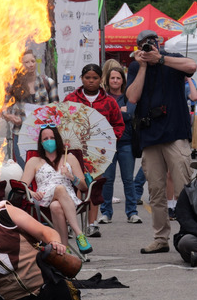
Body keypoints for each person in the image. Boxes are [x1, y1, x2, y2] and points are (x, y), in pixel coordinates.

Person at [126, 29, 196, 254]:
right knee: (156, 191)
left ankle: (191, 234)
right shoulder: (137, 67)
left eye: (152, 43)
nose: (149, 47)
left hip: (175, 132)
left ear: (160, 43)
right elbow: (132, 97)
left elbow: (192, 67)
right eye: (144, 45)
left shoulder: (171, 58)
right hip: (150, 134)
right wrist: (144, 66)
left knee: (184, 187)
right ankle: (160, 238)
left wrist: (162, 59)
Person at [64, 63, 124, 237]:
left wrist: (109, 142)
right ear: (82, 79)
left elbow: (118, 125)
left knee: (94, 186)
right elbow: (62, 122)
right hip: (74, 151)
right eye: (87, 78)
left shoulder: (109, 102)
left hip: (98, 154)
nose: (91, 81)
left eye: (95, 78)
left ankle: (92, 224)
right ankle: (71, 223)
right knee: (72, 185)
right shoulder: (71, 99)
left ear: (100, 80)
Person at [20, 125, 93, 254]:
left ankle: (64, 250)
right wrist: (32, 193)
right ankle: (79, 234)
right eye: (46, 138)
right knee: (59, 189)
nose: (49, 141)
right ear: (41, 143)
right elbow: (22, 185)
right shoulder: (34, 161)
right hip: (43, 197)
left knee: (56, 207)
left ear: (58, 140)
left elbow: (83, 187)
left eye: (52, 138)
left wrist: (70, 176)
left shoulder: (69, 158)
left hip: (68, 199)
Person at [3, 50, 59, 168]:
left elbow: (56, 108)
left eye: (33, 61)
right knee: (25, 169)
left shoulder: (48, 82)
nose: (31, 64)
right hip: (21, 132)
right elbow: (2, 108)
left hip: (44, 134)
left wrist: (51, 110)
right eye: (26, 62)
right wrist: (10, 117)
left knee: (44, 169)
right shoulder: (13, 84)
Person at [101, 64, 140, 224]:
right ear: (108, 80)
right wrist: (120, 112)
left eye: (118, 78)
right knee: (107, 180)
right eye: (113, 78)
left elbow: (130, 114)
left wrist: (116, 113)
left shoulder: (128, 95)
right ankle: (106, 213)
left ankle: (132, 212)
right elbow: (103, 117)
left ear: (122, 80)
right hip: (107, 145)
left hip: (126, 143)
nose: (115, 80)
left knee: (128, 180)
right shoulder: (103, 98)